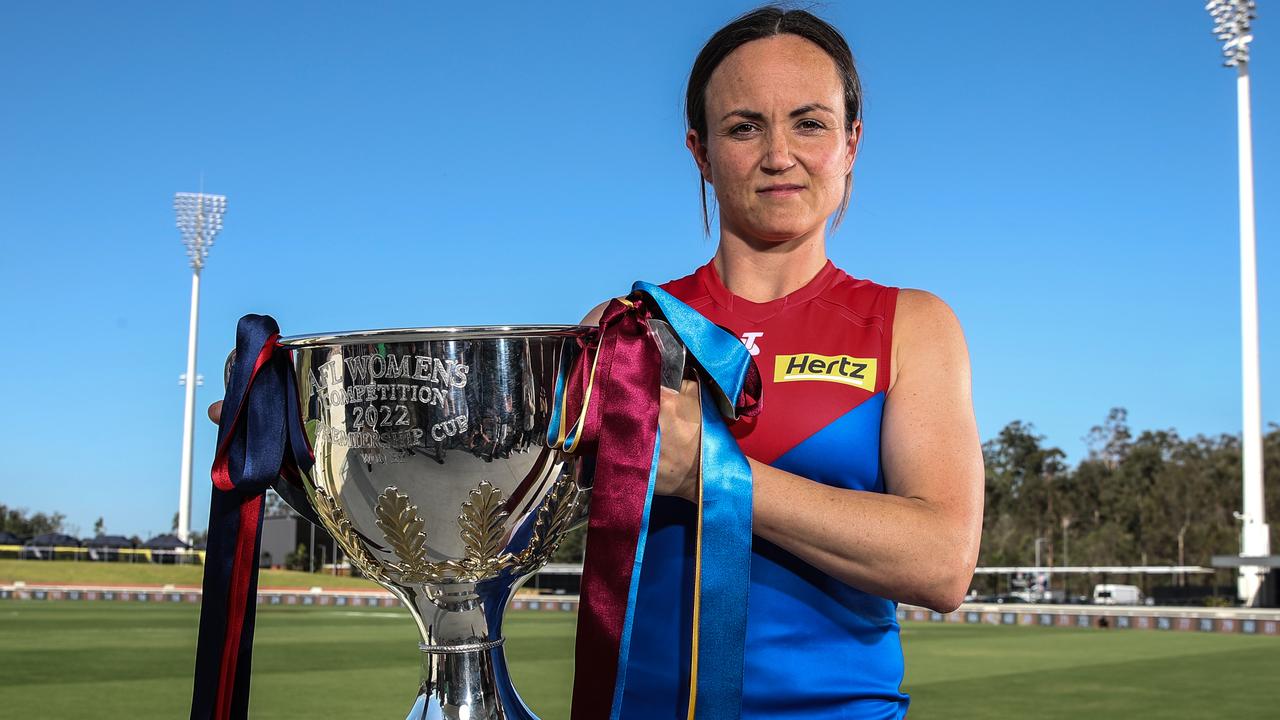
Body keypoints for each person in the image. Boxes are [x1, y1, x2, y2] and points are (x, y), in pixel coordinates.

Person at [581, 6, 984, 718]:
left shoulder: (912, 324)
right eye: (743, 127)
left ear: (852, 142)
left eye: (810, 122)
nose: (778, 155)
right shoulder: (627, 330)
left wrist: (709, 472)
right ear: (699, 151)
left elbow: (942, 561)